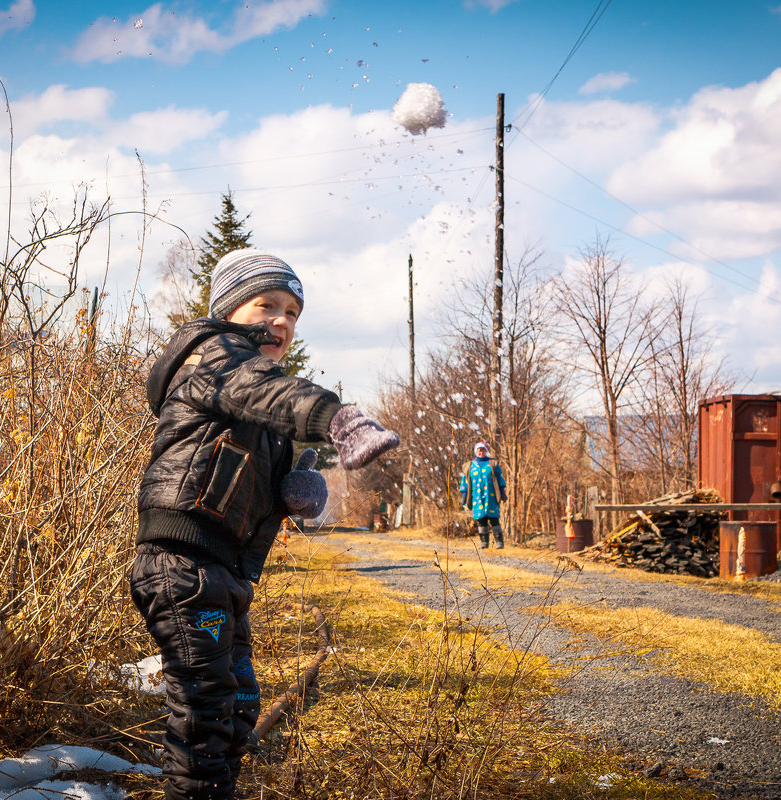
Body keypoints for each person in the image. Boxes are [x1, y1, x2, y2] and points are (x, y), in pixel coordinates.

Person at [130, 248, 400, 800]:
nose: (281, 320)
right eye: (266, 305)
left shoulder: (253, 394)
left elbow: (249, 463)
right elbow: (267, 392)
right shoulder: (215, 357)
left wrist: (292, 491)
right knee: (204, 717)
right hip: (183, 566)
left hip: (222, 574)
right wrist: (338, 419)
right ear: (231, 310)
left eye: (293, 312)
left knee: (240, 708)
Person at [459, 441, 507, 549]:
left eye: (483, 450)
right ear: (476, 452)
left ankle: (499, 542)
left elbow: (499, 478)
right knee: (481, 520)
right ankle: (484, 542)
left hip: (491, 496)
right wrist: (463, 496)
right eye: (479, 450)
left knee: (494, 518)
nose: (481, 452)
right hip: (477, 497)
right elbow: (465, 482)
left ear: (486, 451)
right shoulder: (469, 466)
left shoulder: (493, 464)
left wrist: (502, 492)